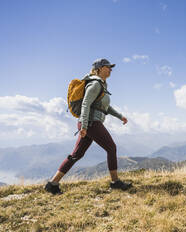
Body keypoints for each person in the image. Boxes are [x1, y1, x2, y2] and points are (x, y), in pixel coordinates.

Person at [45, 58, 132, 194]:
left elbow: (105, 107)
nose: (110, 69)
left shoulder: (101, 85)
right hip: (91, 123)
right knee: (111, 147)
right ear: (99, 68)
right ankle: (115, 182)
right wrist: (84, 126)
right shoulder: (95, 84)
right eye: (108, 67)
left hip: (88, 123)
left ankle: (52, 184)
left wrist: (120, 116)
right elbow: (85, 104)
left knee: (76, 154)